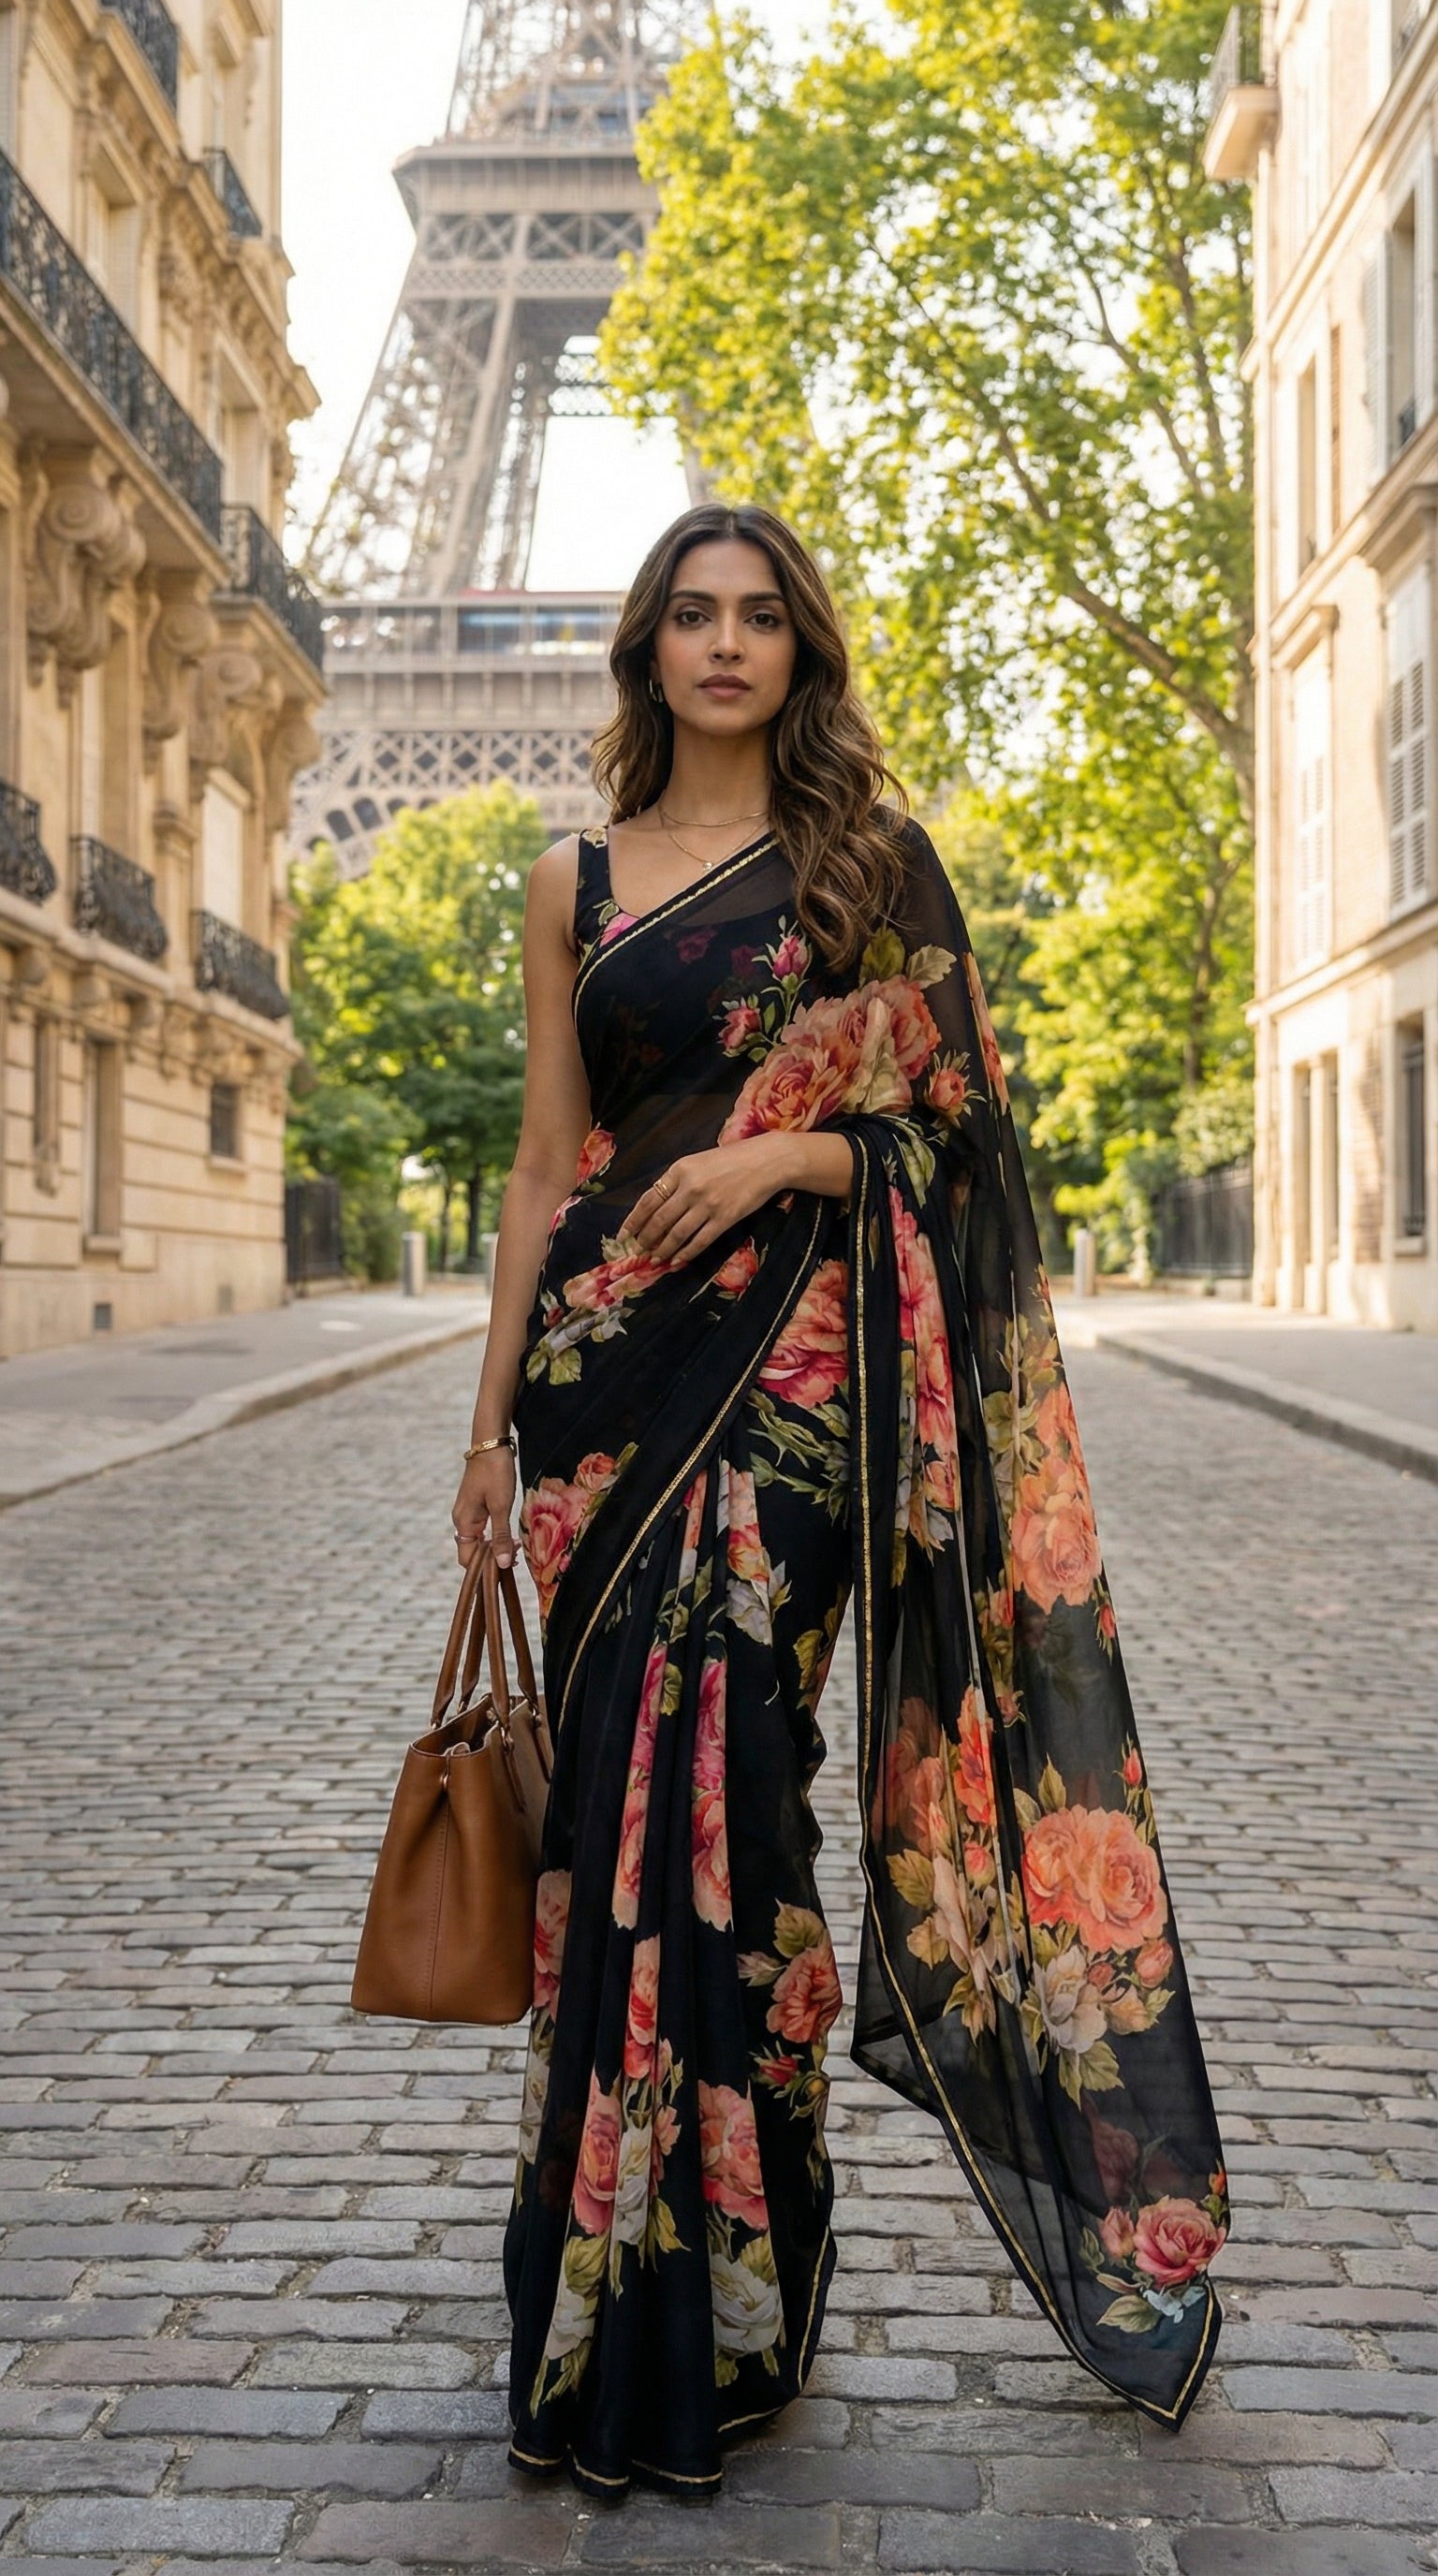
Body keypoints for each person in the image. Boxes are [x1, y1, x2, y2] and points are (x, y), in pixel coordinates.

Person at [451, 502, 1228, 2500]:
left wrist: (789, 1163)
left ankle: (732, 2297)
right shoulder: (565, 881)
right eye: (691, 615)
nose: (725, 644)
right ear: (646, 646)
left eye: (760, 617)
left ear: (800, 649)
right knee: (612, 1822)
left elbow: (960, 1140)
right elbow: (545, 1165)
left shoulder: (869, 871)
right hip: (600, 1395)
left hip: (793, 1387)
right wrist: (485, 1433)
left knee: (735, 1783)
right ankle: (599, 2314)